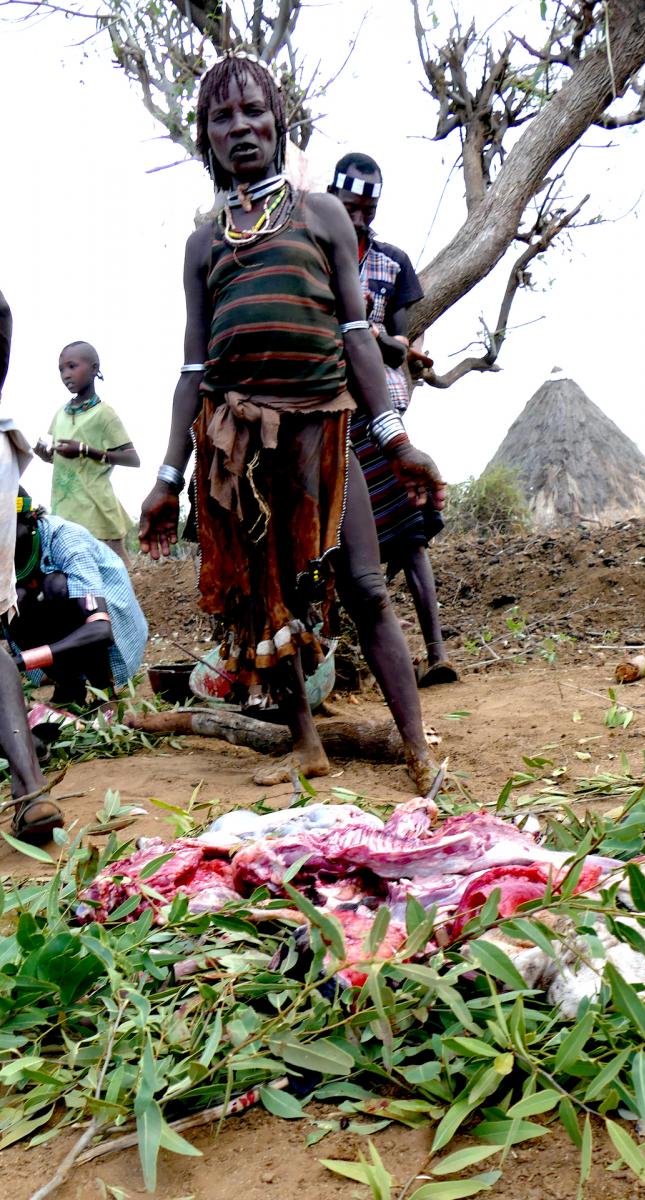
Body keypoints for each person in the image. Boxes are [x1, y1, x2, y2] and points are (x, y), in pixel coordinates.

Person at [139, 51, 444, 792]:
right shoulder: (204, 243)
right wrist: (167, 477)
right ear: (205, 136)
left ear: (278, 122)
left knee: (368, 587)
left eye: (252, 112)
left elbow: (355, 336)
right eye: (222, 118)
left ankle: (416, 746)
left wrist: (396, 439)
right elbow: (192, 372)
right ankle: (307, 744)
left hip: (324, 435)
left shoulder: (322, 215)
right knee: (264, 609)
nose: (240, 128)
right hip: (240, 449)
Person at [329, 153, 457, 688]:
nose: (358, 219)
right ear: (332, 199)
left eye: (367, 209)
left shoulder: (391, 261)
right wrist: (380, 342)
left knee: (408, 532)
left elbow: (402, 341)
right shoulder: (309, 256)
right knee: (333, 539)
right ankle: (337, 660)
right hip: (329, 409)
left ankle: (436, 653)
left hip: (380, 412)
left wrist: (393, 346)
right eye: (350, 208)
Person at [0, 288, 62, 843]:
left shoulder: (59, 542)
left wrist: (40, 657)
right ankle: (28, 787)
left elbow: (102, 624)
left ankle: (28, 782)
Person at [7, 494, 148, 708]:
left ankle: (104, 691)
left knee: (56, 586)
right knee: (15, 600)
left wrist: (19, 662)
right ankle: (69, 687)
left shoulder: (65, 538)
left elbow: (100, 630)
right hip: (59, 631)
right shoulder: (5, 557)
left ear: (29, 518)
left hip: (110, 624)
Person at [34, 341, 139, 563]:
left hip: (97, 510)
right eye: (61, 369)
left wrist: (85, 450)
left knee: (113, 575)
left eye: (72, 366)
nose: (66, 374)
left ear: (94, 368)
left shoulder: (104, 414)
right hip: (65, 510)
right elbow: (66, 460)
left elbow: (132, 458)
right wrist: (47, 455)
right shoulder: (60, 414)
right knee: (76, 578)